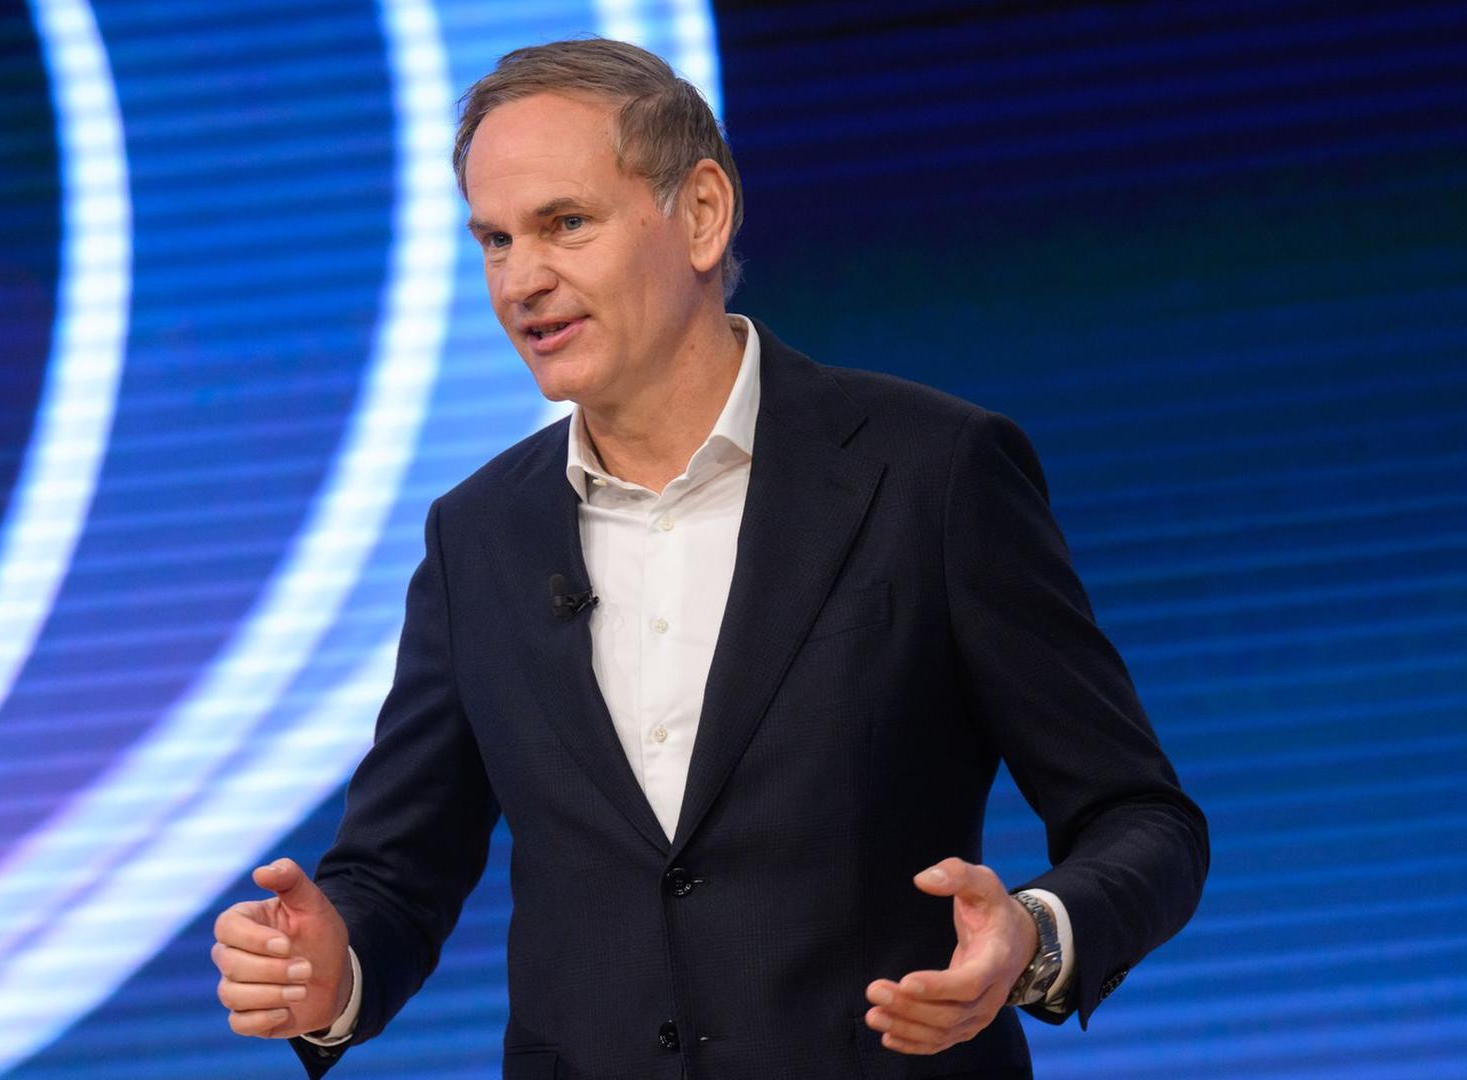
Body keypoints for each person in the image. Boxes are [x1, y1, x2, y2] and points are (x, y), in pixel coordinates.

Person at [210, 38, 1207, 1079]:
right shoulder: (476, 537)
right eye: (495, 241)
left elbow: (1143, 819)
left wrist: (1034, 937)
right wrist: (328, 972)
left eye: (565, 224)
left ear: (701, 214)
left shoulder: (931, 475)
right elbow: (396, 875)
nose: (522, 281)